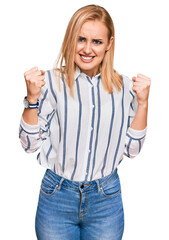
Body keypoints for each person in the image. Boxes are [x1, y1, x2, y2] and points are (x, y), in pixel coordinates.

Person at [19, 4, 151, 240]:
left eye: (97, 42)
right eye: (81, 39)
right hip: (57, 198)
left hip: (106, 200)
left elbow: (132, 150)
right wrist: (31, 99)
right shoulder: (49, 83)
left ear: (109, 43)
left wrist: (143, 104)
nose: (87, 49)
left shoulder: (125, 88)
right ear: (71, 39)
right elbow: (29, 146)